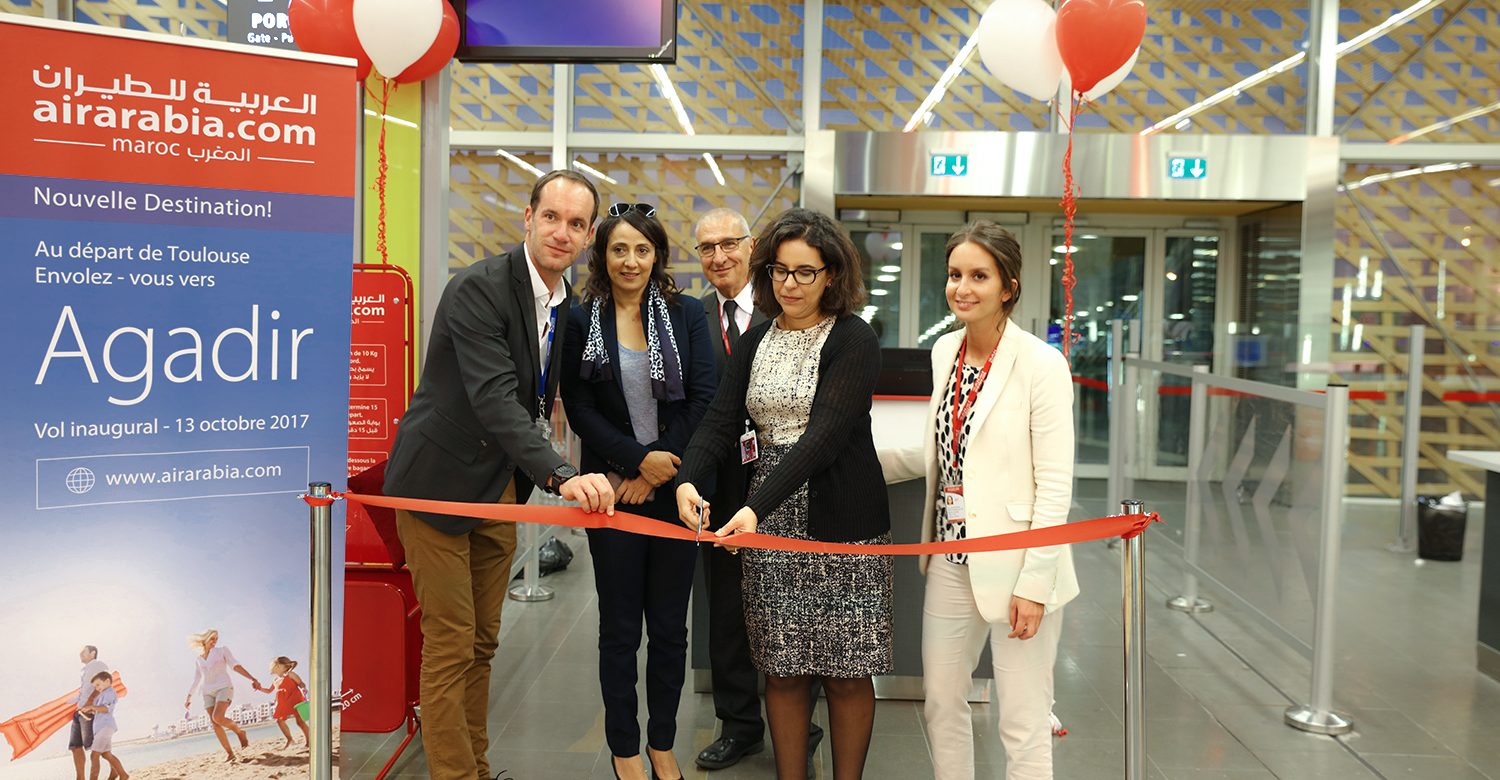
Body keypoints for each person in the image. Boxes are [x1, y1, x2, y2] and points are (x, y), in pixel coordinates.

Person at [382, 169, 616, 780]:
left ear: (588, 235)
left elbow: (545, 401)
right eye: (551, 217)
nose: (561, 233)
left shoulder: (565, 306)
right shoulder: (478, 288)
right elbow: (495, 398)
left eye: (575, 224)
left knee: (483, 644)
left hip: (497, 489)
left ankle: (476, 769)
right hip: (436, 487)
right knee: (453, 644)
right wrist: (561, 474)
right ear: (528, 218)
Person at [676, 207, 891, 780]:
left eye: (805, 272)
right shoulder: (754, 341)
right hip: (767, 522)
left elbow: (824, 437)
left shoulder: (853, 338)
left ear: (831, 276)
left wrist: (752, 507)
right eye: (779, 271)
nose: (789, 284)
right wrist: (689, 480)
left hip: (843, 517)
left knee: (847, 671)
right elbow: (720, 422)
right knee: (782, 667)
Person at [880, 221, 1078, 780]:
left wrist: (1035, 585)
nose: (962, 288)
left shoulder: (1042, 364)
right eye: (954, 275)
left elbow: (1055, 486)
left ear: (1008, 286)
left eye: (978, 276)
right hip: (950, 554)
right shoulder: (946, 350)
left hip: (1019, 562)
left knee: (1023, 717)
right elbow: (947, 451)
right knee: (942, 700)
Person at [560, 203, 717, 780]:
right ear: (603, 255)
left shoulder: (685, 314)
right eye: (619, 249)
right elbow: (577, 406)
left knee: (671, 630)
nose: (631, 261)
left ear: (658, 255)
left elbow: (703, 399)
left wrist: (656, 469)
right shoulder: (582, 317)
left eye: (642, 249)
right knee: (620, 629)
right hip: (611, 494)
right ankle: (625, 749)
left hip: (675, 493)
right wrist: (631, 463)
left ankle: (663, 744)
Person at [691, 207, 823, 776]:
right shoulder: (691, 318)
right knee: (728, 613)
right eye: (705, 248)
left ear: (752, 247)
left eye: (729, 243)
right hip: (721, 487)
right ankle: (740, 726)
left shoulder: (787, 306)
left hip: (791, 485)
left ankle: (800, 724)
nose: (718, 256)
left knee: (794, 612)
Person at [183, 629, 260, 762]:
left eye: (216, 638)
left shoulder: (222, 651)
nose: (215, 641)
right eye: (212, 638)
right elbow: (196, 679)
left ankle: (240, 732)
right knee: (215, 723)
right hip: (207, 692)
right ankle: (230, 753)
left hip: (224, 687)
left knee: (218, 717)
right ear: (205, 639)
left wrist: (252, 678)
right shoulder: (198, 659)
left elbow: (235, 666)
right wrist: (189, 697)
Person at [253, 656, 310, 749]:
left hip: (295, 699)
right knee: (279, 720)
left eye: (274, 665)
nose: (272, 667)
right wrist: (259, 688)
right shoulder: (275, 680)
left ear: (281, 666)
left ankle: (309, 742)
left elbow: (301, 683)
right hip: (282, 703)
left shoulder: (291, 674)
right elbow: (268, 691)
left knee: (300, 722)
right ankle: (290, 739)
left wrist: (304, 688)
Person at [70, 645, 108, 780]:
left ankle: (116, 770)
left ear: (93, 653)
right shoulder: (85, 670)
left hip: (89, 712)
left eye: (83, 651)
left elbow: (105, 682)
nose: (80, 653)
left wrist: (91, 701)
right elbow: (84, 691)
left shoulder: (97, 664)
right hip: (79, 711)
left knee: (95, 748)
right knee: (75, 747)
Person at [80, 672, 127, 780]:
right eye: (95, 686)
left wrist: (92, 707)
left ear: (107, 681)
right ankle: (123, 774)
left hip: (105, 727)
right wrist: (88, 710)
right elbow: (99, 710)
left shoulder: (109, 692)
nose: (97, 688)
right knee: (106, 754)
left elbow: (106, 709)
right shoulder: (103, 694)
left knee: (94, 756)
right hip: (102, 728)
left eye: (98, 684)